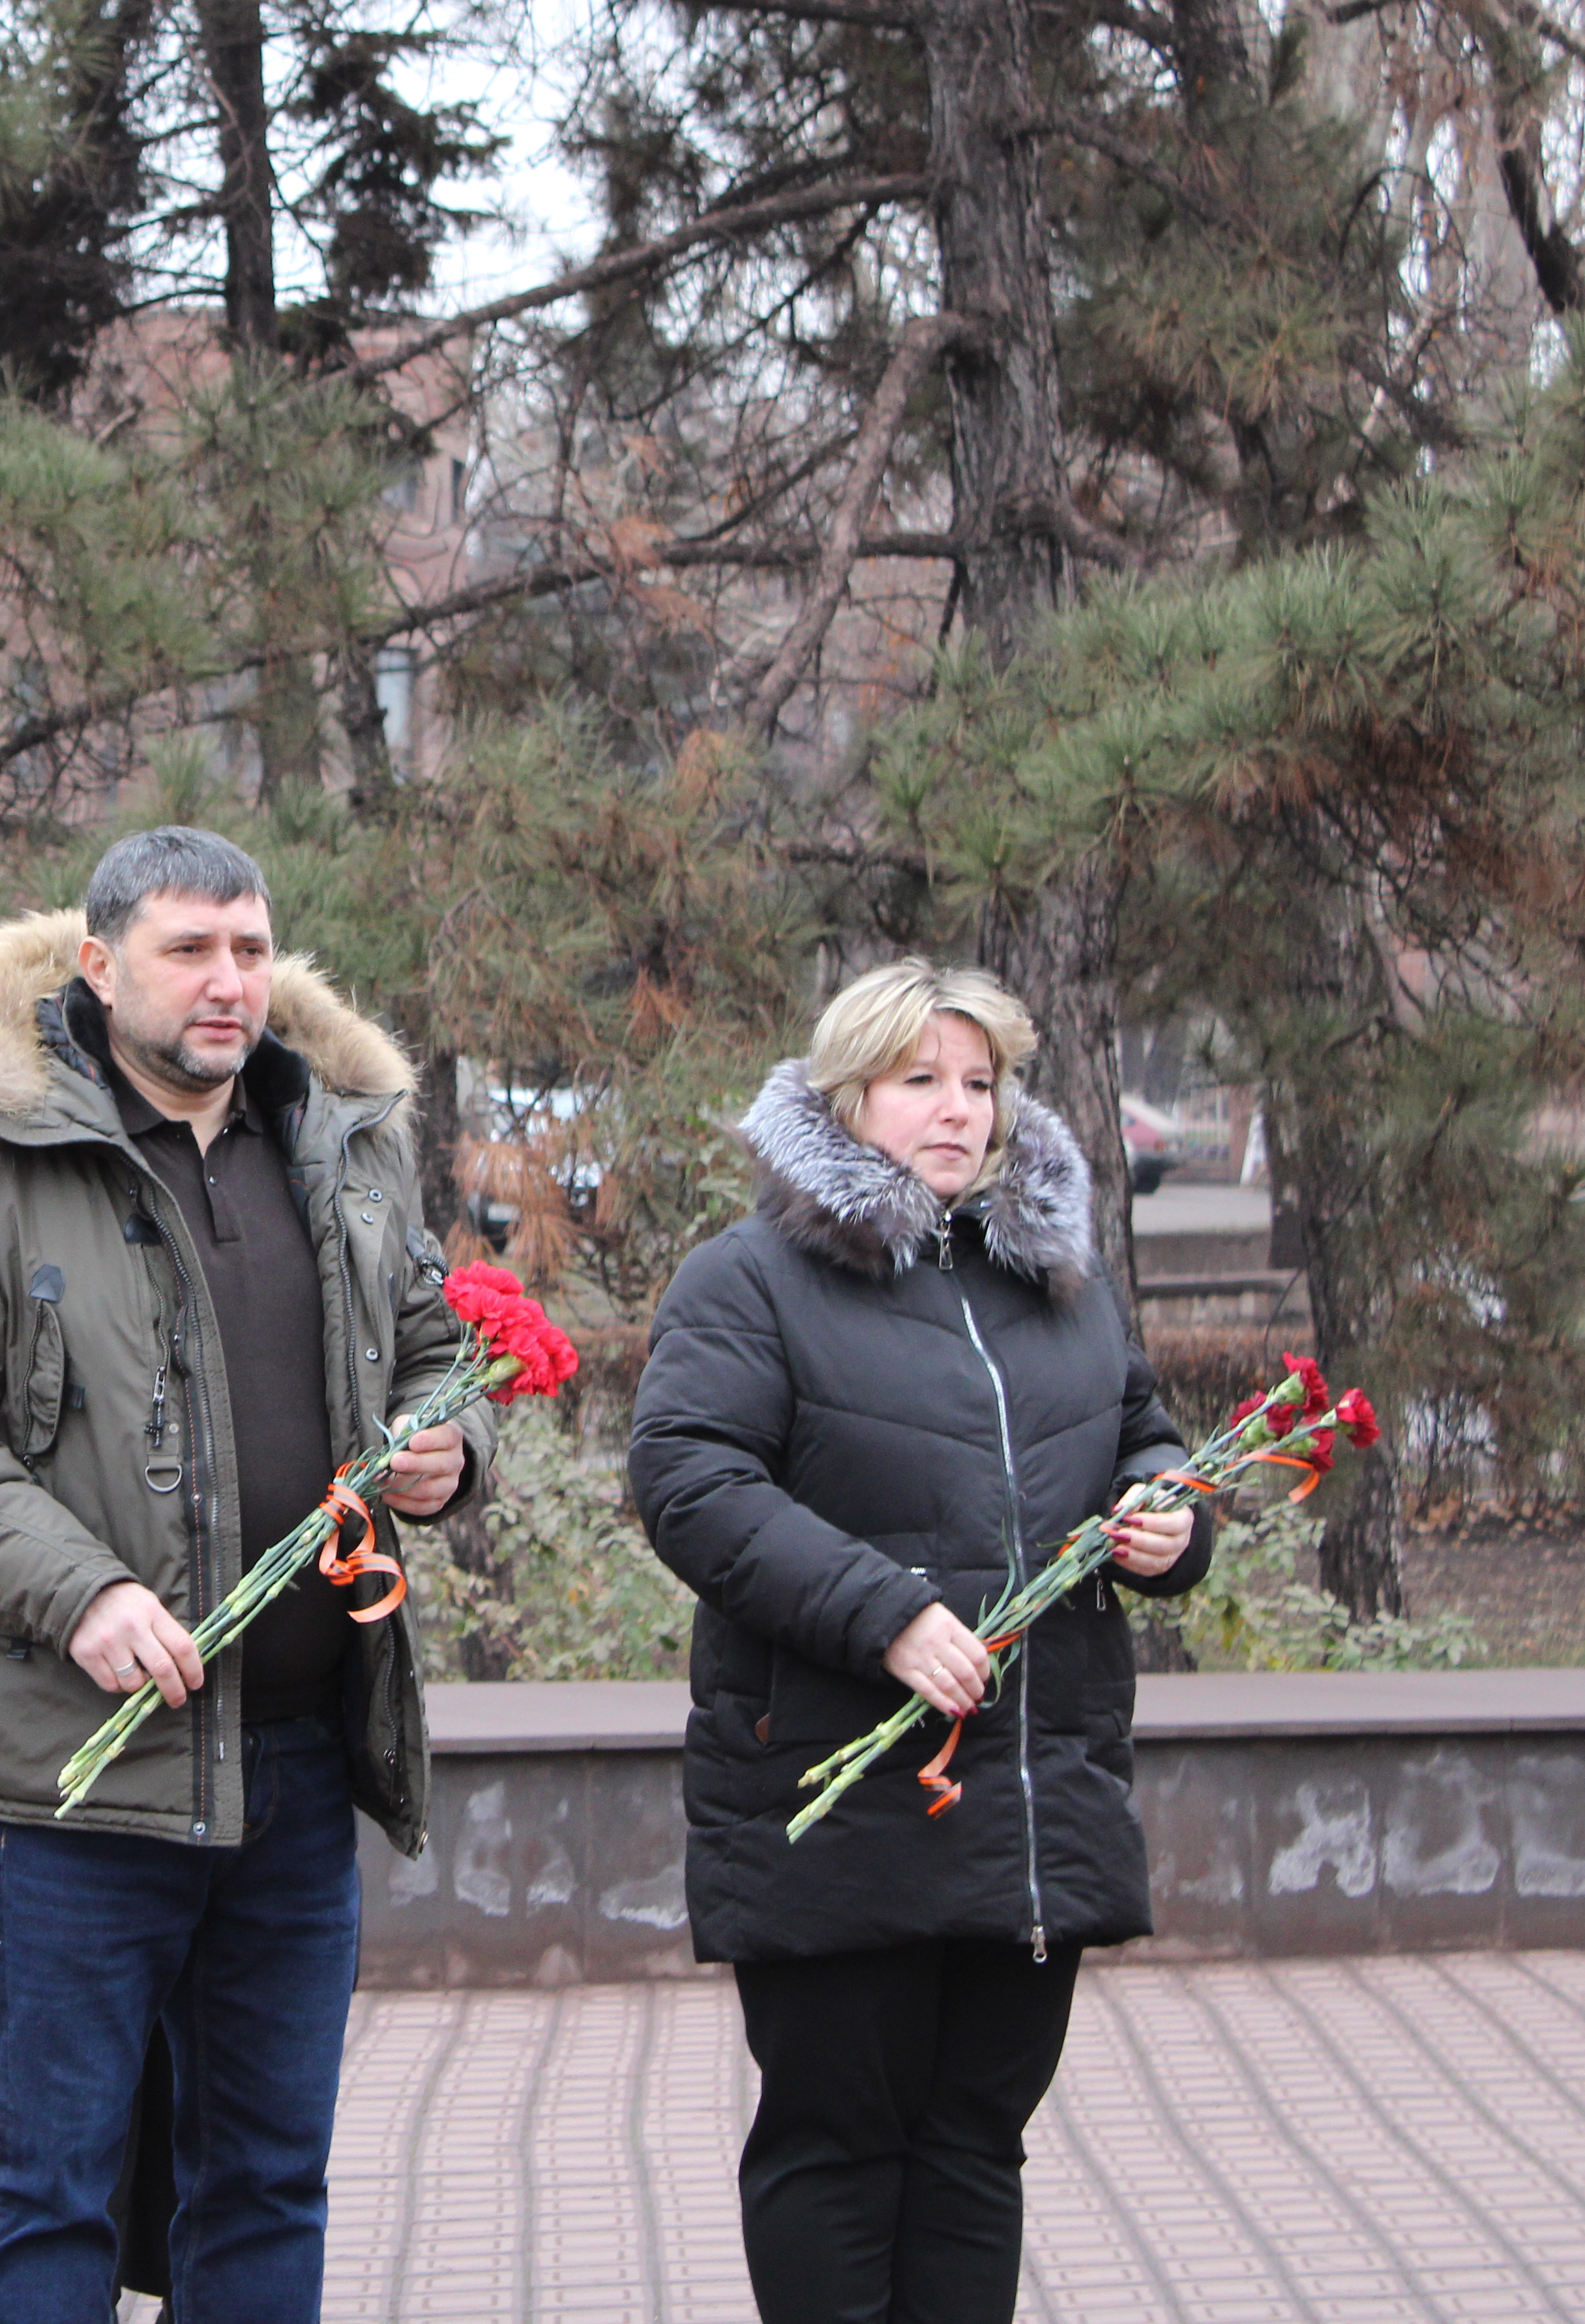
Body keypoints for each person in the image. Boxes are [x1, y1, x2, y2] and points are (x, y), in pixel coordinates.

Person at [0, 825, 486, 2320]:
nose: (228, 982)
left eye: (251, 949)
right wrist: (84, 1590)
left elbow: (438, 1344)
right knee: (53, 2185)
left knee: (265, 2175)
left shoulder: (340, 1139)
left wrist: (447, 1443)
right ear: (98, 961)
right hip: (78, 1774)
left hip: (300, 1764)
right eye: (190, 949)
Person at [628, 959, 1215, 2324]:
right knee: (839, 2147)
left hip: (1029, 1793)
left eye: (980, 1081)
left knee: (972, 2144)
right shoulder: (753, 1276)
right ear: (846, 1097)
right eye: (920, 1080)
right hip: (838, 1792)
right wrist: (884, 1611)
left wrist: (1170, 1516)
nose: (957, 1109)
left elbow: (1142, 1432)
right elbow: (690, 1478)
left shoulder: (1059, 1279)